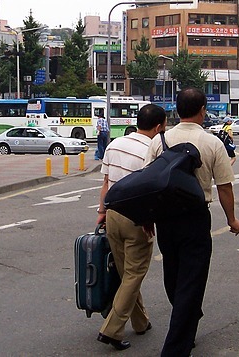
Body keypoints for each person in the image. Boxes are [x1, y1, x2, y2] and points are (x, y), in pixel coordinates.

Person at [144, 88, 239, 356]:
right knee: (192, 280)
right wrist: (231, 220)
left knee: (173, 276)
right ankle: (176, 347)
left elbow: (147, 182)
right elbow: (224, 186)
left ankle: (186, 319)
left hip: (165, 218)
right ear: (202, 110)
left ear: (177, 109)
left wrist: (147, 218)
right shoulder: (211, 142)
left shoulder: (160, 140)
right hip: (195, 218)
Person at [95, 104, 167, 351]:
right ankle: (112, 329)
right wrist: (149, 220)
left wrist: (101, 213)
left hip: (113, 215)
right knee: (134, 274)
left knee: (127, 273)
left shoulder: (115, 144)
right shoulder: (153, 150)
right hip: (137, 218)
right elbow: (151, 190)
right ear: (158, 127)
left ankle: (141, 321)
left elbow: (106, 182)